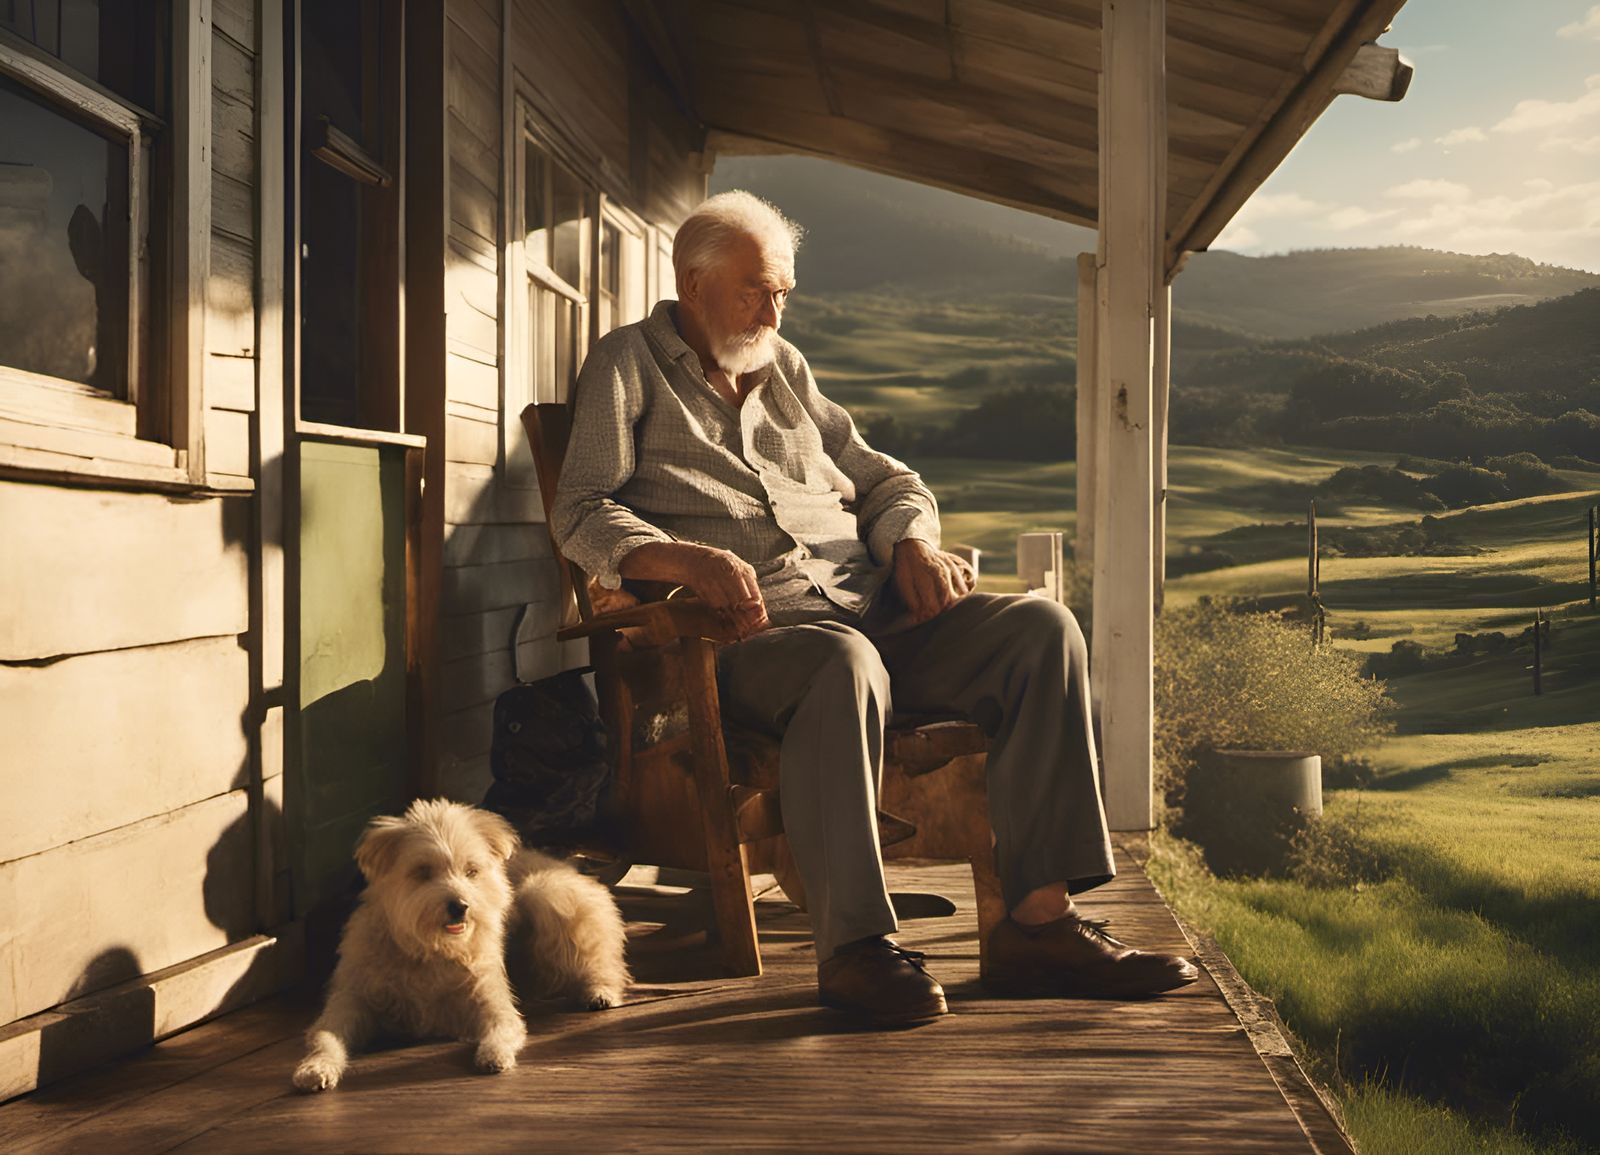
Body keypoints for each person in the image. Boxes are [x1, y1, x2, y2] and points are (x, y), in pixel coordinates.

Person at [552, 190, 1198, 1024]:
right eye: (754, 289)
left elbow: (889, 479)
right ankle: (856, 949)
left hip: (873, 612)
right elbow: (581, 507)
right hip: (749, 642)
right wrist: (684, 557)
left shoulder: (784, 367)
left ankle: (1037, 925)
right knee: (841, 659)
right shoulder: (627, 364)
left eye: (783, 289)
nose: (773, 307)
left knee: (1042, 629)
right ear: (693, 282)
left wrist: (911, 544)